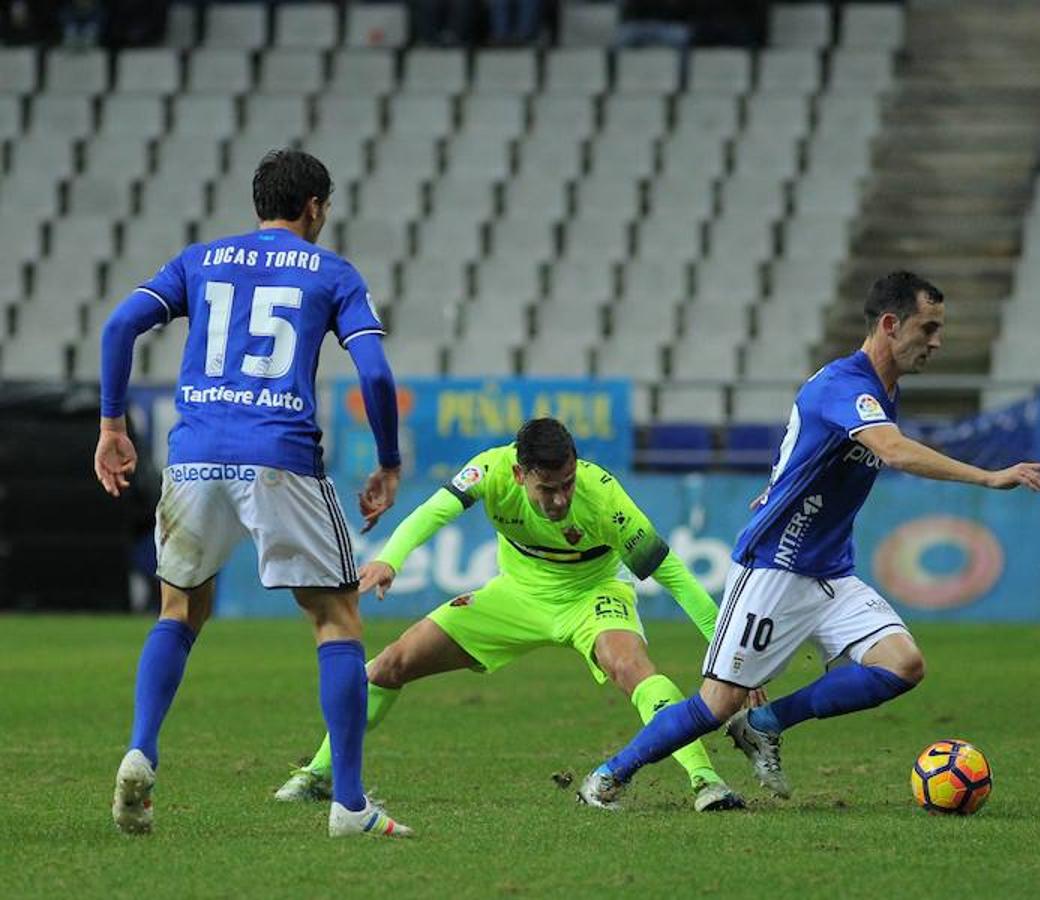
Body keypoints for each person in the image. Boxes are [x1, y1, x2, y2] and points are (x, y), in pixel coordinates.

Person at [576, 272, 1040, 810]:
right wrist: (988, 476)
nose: (937, 341)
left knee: (902, 664)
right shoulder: (843, 386)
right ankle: (609, 776)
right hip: (775, 566)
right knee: (715, 702)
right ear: (891, 324)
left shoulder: (883, 390)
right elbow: (892, 452)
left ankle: (765, 724)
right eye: (929, 327)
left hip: (829, 570)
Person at [96, 149, 411, 838]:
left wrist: (112, 424)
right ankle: (350, 806)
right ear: (316, 207)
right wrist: (388, 460)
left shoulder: (199, 259)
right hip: (280, 456)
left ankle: (142, 749)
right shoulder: (334, 273)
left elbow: (119, 325)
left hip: (195, 455)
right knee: (335, 615)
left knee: (179, 609)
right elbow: (378, 376)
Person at [274, 417, 750, 813]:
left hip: (593, 593)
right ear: (521, 475)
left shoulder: (604, 497)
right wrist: (389, 558)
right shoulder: (491, 471)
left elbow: (672, 573)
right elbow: (434, 512)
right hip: (516, 596)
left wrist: (722, 645)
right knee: (390, 663)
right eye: (548, 488)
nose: (561, 499)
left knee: (631, 667)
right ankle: (320, 773)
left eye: (567, 483)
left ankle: (705, 781)